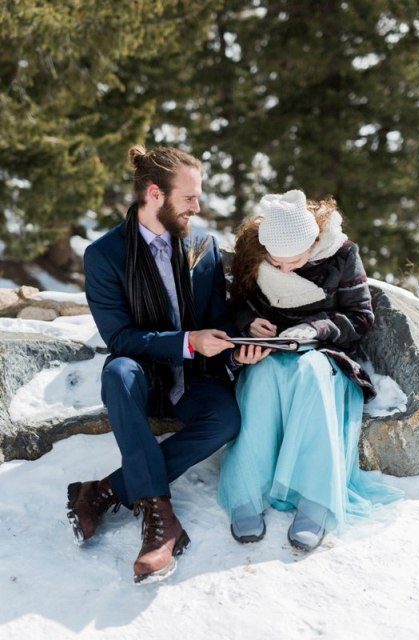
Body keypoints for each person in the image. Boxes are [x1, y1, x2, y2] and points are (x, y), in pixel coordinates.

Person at [67, 145, 269, 584]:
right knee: (117, 372)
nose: (198, 207)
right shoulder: (104, 255)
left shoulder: (202, 244)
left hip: (194, 375)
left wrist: (243, 340)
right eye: (190, 197)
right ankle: (161, 521)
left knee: (224, 419)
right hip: (144, 373)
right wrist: (186, 341)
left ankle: (103, 492)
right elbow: (120, 337)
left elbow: (217, 316)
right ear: (155, 194)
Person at [218, 190, 404, 551]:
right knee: (260, 377)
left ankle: (314, 498)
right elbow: (237, 304)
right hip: (273, 350)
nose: (285, 268)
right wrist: (251, 323)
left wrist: (317, 329)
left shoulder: (342, 253)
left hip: (328, 354)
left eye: (295, 261)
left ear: (314, 243)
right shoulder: (255, 250)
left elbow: (360, 317)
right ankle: (247, 490)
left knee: (310, 374)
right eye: (277, 262)